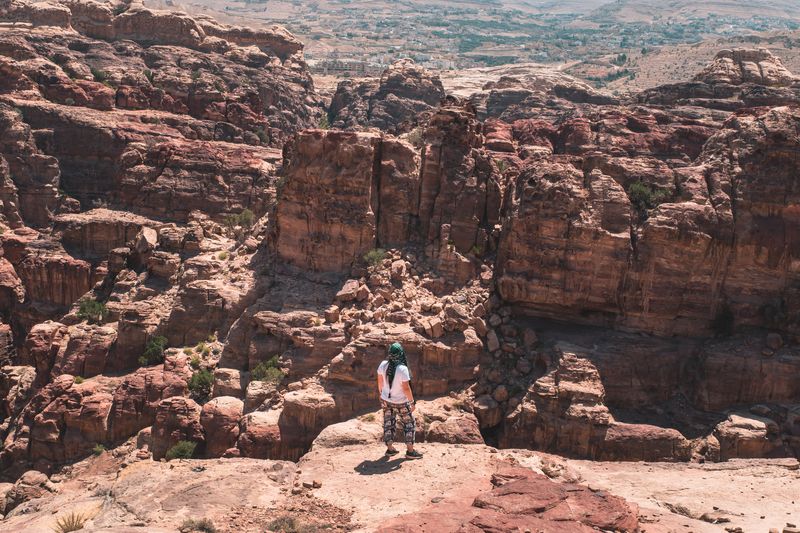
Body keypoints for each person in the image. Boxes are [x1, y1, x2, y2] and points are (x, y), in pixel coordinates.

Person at [376, 342, 422, 459]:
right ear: (401, 353)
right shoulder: (402, 368)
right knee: (409, 424)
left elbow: (380, 382)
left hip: (386, 400)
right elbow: (406, 388)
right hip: (401, 402)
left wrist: (382, 395)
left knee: (388, 423)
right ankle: (410, 451)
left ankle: (390, 449)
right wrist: (412, 402)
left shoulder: (383, 364)